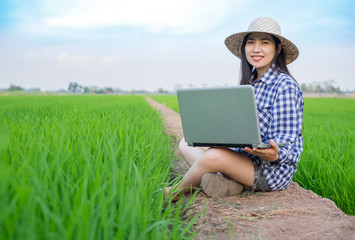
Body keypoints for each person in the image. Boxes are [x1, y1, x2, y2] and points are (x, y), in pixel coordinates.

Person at [165, 17, 304, 199]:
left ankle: (172, 193)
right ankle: (228, 180)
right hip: (245, 158)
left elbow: (286, 140)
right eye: (251, 42)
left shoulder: (285, 86)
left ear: (277, 48)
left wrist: (274, 154)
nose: (256, 49)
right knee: (185, 143)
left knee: (213, 156)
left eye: (264, 42)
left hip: (269, 170)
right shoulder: (249, 85)